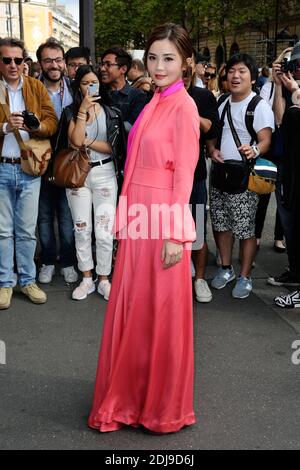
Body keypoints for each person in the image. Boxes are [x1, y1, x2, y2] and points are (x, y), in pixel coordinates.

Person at [88, 23, 200, 434]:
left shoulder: (184, 107)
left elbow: (184, 175)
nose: (158, 66)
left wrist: (174, 232)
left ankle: (158, 406)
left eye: (168, 58)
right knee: (135, 309)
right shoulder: (154, 101)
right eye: (153, 57)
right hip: (139, 217)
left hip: (162, 220)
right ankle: (132, 398)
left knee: (159, 313)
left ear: (186, 61)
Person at [207, 53, 274, 299]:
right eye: (232, 71)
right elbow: (214, 133)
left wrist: (254, 149)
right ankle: (226, 268)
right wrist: (212, 150)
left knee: (246, 230)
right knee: (221, 224)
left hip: (244, 177)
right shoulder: (223, 101)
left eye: (242, 71)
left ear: (253, 77)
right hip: (220, 174)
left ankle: (245, 277)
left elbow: (266, 140)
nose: (235, 76)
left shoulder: (259, 106)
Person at [0, 37, 57, 310]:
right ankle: (5, 283)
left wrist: (34, 125)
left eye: (18, 60)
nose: (13, 65)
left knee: (25, 230)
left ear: (25, 62)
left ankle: (27, 280)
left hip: (29, 167)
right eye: (7, 60)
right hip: (2, 167)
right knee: (2, 231)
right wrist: (5, 128)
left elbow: (52, 122)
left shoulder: (35, 87)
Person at [66, 65, 126, 301]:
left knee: (103, 230)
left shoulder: (111, 112)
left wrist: (86, 142)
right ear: (78, 86)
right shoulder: (71, 112)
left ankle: (103, 278)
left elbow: (113, 147)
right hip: (78, 175)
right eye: (85, 83)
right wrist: (82, 111)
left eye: (94, 83)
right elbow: (74, 140)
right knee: (81, 228)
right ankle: (87, 277)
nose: (91, 87)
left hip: (105, 173)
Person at [36, 38, 78, 284]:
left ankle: (69, 261)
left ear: (64, 62)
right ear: (41, 63)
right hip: (39, 161)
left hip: (68, 162)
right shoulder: (31, 88)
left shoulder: (74, 88)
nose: (54, 64)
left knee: (66, 215)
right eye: (48, 60)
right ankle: (49, 261)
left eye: (58, 59)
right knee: (43, 215)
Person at [267, 41, 300, 288]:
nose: (294, 68)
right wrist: (279, 87)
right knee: (287, 217)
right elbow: (279, 119)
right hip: (286, 165)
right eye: (291, 63)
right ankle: (294, 269)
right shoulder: (287, 87)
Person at [188, 53, 219, 303]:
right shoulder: (155, 96)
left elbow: (209, 128)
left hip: (195, 175)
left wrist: (185, 108)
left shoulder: (202, 96)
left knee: (197, 231)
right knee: (166, 231)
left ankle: (199, 279)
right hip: (164, 179)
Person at [99, 47, 149, 133]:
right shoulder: (98, 93)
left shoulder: (139, 96)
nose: (102, 68)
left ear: (123, 69)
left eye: (108, 64)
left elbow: (130, 127)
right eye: (102, 64)